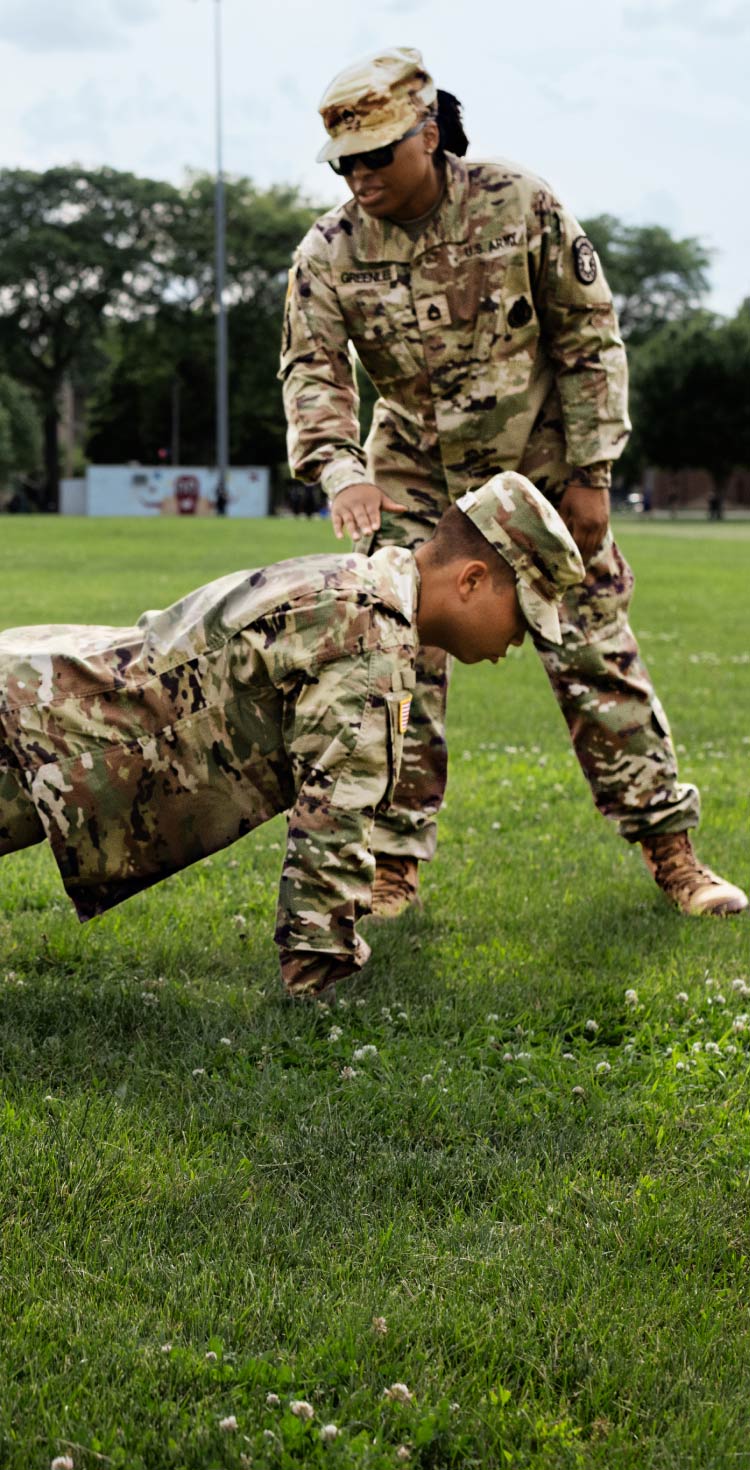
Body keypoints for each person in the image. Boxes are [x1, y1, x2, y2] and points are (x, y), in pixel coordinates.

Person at [280, 45, 747, 921]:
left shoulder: (518, 203)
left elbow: (588, 337)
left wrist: (592, 472)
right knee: (395, 664)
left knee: (594, 652)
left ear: (428, 134)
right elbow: (312, 370)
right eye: (343, 160)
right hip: (413, 480)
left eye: (377, 153)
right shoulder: (329, 251)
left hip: (536, 469)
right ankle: (391, 870)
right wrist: (342, 469)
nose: (359, 174)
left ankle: (675, 856)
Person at [0, 473, 584, 999]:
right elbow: (334, 814)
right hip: (45, 739)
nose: (517, 643)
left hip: (40, 693)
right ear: (473, 579)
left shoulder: (354, 582)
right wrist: (318, 974)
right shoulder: (372, 645)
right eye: (522, 618)